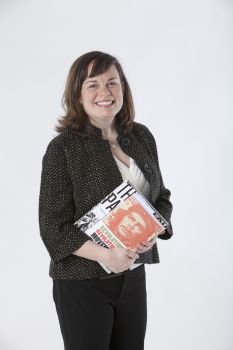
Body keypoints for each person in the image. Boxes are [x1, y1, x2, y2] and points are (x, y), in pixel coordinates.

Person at [38, 50, 173, 350]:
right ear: (78, 93)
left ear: (123, 88)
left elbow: (161, 197)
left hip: (133, 276)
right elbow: (53, 228)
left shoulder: (141, 136)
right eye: (93, 84)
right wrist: (106, 256)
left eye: (112, 82)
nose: (105, 92)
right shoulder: (63, 149)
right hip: (83, 282)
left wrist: (154, 230)